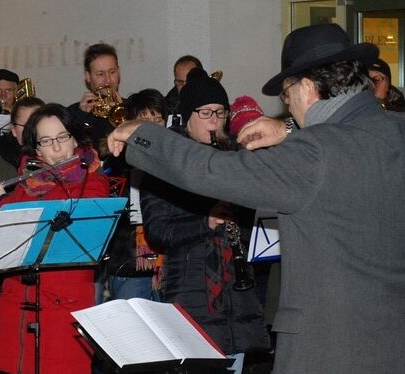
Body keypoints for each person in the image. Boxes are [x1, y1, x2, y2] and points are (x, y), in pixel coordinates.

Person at [107, 23, 405, 374]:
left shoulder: (315, 154)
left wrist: (144, 134)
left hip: (329, 349)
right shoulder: (395, 130)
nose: (288, 109)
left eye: (286, 97)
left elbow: (209, 171)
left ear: (307, 88)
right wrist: (290, 130)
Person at [0, 103, 110, 373]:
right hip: (15, 311)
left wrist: (4, 203)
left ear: (74, 138)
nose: (57, 148)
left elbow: (54, 223)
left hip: (61, 313)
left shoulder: (92, 182)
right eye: (47, 141)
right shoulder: (25, 183)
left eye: (62, 137)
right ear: (37, 149)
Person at [140, 70, 269, 374]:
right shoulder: (164, 164)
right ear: (187, 116)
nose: (215, 120)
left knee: (235, 364)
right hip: (189, 287)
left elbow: (258, 230)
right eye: (206, 112)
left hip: (237, 294)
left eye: (221, 112)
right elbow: (158, 233)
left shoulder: (236, 159)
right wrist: (205, 222)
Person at [98, 88, 167, 305]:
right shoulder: (117, 162)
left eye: (158, 120)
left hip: (171, 265)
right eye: (145, 121)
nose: (154, 127)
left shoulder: (176, 160)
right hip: (128, 264)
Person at [68, 43, 122, 158]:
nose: (108, 80)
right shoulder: (71, 114)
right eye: (100, 74)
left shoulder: (133, 108)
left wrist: (125, 113)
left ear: (119, 71)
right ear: (88, 76)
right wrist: (81, 117)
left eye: (112, 72)